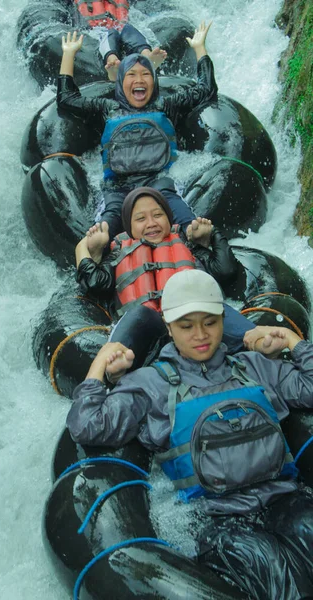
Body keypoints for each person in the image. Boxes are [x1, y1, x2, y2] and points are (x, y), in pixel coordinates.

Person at [66, 269, 313, 599]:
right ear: (169, 328)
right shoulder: (150, 384)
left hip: (284, 498)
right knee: (269, 563)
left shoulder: (254, 366)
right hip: (217, 520)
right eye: (186, 326)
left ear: (223, 321)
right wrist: (99, 368)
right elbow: (88, 424)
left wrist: (294, 343)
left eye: (210, 322)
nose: (201, 334)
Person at [57, 21, 216, 241]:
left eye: (146, 74)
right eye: (131, 75)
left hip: (158, 180)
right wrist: (68, 54)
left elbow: (205, 90)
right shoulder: (107, 109)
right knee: (109, 217)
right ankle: (100, 242)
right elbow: (67, 100)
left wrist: (199, 48)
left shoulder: (166, 106)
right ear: (121, 82)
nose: (139, 80)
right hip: (117, 186)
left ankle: (191, 232)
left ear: (154, 80)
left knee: (174, 203)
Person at [75, 186, 255, 366]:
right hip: (150, 333)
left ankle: (258, 340)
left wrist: (211, 236)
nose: (151, 223)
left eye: (158, 215)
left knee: (214, 307)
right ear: (129, 225)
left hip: (193, 322)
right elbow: (94, 283)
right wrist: (83, 249)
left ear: (169, 218)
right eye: (140, 219)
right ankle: (111, 370)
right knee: (140, 314)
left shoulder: (185, 242)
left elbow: (226, 271)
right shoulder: (119, 251)